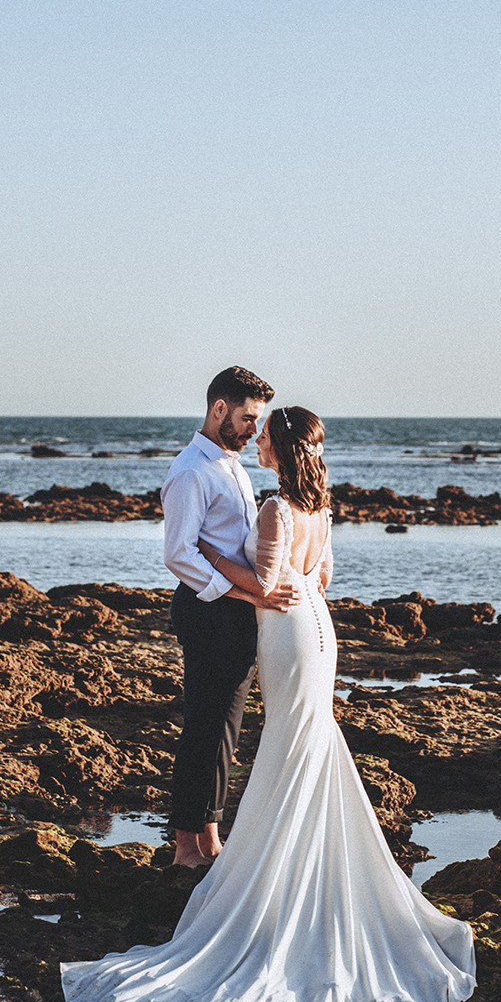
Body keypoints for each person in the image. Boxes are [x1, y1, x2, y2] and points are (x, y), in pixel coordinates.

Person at [61, 406, 476, 1002]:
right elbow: (321, 578)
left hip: (285, 630)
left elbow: (267, 583)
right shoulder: (323, 510)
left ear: (277, 448)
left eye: (263, 435)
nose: (255, 442)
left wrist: (204, 551)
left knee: (290, 744)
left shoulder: (279, 509)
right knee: (308, 742)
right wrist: (284, 587)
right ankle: (303, 870)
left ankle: (276, 880)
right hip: (319, 628)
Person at [156, 366, 294, 870]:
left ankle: (209, 836)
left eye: (257, 420)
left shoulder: (232, 465)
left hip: (233, 608)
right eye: (247, 418)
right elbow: (179, 554)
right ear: (219, 409)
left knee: (225, 728)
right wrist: (244, 594)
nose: (255, 430)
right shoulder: (191, 470)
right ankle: (185, 849)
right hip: (207, 609)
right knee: (204, 726)